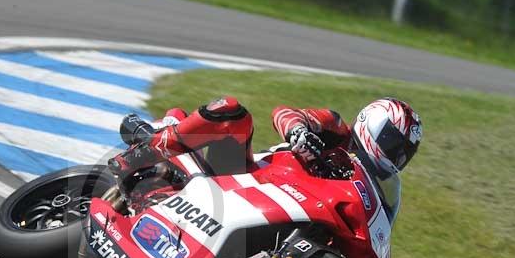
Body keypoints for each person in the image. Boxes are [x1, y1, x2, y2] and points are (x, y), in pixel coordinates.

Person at [109, 96, 422, 186]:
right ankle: (149, 147)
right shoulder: (336, 128)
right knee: (232, 111)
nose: (395, 156)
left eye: (402, 153)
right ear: (372, 123)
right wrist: (298, 132)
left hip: (283, 209)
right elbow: (284, 112)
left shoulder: (369, 185)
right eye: (394, 144)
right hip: (249, 177)